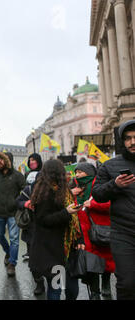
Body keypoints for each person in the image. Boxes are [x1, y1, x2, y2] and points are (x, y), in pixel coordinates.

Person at [92, 120, 135, 300]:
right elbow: (97, 194)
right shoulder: (109, 166)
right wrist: (114, 185)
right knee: (127, 283)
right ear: (122, 141)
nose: (132, 142)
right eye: (128, 138)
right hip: (123, 234)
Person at [29, 159, 84, 300]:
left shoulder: (66, 191)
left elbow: (75, 220)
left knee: (72, 289)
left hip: (69, 248)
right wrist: (66, 212)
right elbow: (43, 219)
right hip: (52, 250)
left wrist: (79, 238)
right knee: (55, 288)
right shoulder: (44, 192)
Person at [71, 162, 114, 300]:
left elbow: (111, 204)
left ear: (89, 172)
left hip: (100, 229)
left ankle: (106, 283)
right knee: (91, 262)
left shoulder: (100, 185)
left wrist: (93, 204)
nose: (77, 175)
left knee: (106, 260)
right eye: (76, 172)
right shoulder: (75, 187)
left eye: (80, 172)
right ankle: (95, 293)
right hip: (83, 231)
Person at [0, 152, 25, 276]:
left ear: (9, 161)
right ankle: (8, 252)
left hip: (13, 213)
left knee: (14, 239)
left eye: (2, 160)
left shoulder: (18, 176)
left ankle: (12, 264)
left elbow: (25, 190)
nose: (0, 162)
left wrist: (19, 201)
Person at [15, 153, 44, 295]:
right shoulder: (28, 190)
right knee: (33, 260)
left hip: (46, 229)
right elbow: (18, 202)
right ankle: (39, 282)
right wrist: (26, 203)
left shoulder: (51, 190)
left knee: (47, 257)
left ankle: (51, 280)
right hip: (30, 228)